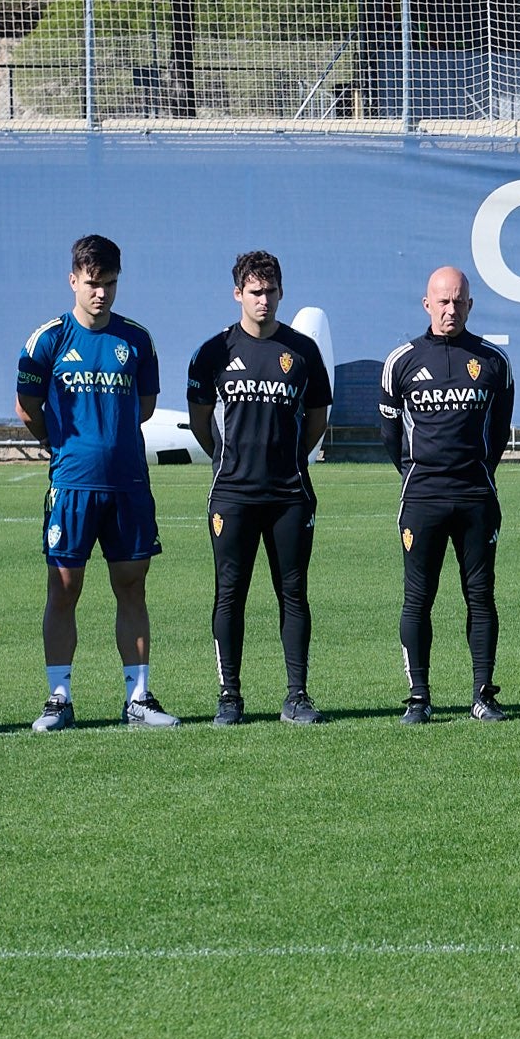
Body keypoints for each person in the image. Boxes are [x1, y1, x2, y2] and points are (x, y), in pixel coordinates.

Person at [16, 233, 171, 730]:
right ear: (73, 281)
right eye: (91, 283)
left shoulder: (137, 340)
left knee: (132, 586)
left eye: (108, 283)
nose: (100, 292)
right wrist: (61, 446)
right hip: (72, 485)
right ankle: (59, 699)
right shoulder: (48, 339)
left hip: (128, 484)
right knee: (63, 588)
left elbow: (144, 408)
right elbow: (27, 409)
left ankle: (139, 699)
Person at [186, 250, 333, 725]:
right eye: (254, 292)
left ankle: (297, 695)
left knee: (293, 593)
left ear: (281, 292)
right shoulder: (213, 352)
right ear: (237, 295)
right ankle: (230, 695)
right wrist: (230, 461)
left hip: (290, 493)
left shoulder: (302, 352)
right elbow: (201, 424)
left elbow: (316, 422)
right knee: (230, 593)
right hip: (232, 493)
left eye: (270, 291)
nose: (263, 300)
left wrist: (287, 460)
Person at [379, 266, 515, 724]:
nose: (450, 309)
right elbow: (389, 434)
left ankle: (483, 694)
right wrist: (420, 472)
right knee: (418, 598)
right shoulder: (402, 360)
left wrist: (476, 470)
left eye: (459, 301)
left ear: (470, 305)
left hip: (477, 496)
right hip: (422, 497)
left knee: (481, 596)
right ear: (427, 304)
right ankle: (419, 696)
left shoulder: (493, 361)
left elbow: (498, 433)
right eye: (442, 301)